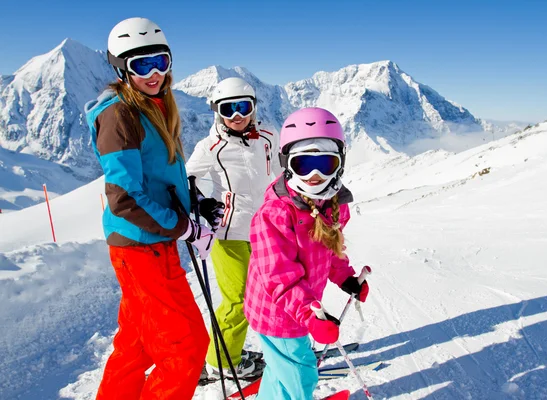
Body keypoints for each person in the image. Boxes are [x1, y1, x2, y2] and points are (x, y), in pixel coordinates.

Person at [85, 17, 221, 400]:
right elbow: (124, 198)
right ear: (121, 68)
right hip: (141, 248)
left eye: (160, 61)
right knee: (186, 348)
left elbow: (161, 177)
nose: (155, 73)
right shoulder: (120, 115)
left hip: (152, 244)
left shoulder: (154, 106)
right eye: (142, 65)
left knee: (137, 345)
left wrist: (195, 204)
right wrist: (183, 227)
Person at [244, 107, 370, 399]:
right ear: (287, 164)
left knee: (282, 372)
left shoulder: (335, 204)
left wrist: (346, 279)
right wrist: (309, 316)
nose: (314, 176)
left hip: (300, 309)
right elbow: (279, 277)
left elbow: (331, 250)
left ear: (340, 164)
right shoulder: (274, 214)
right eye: (303, 165)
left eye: (325, 163)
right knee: (300, 375)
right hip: (277, 312)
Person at [186, 77, 276, 378]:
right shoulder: (210, 146)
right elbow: (186, 180)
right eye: (229, 109)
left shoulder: (267, 137)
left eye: (243, 107)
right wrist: (201, 203)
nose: (237, 115)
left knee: (271, 293)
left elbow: (281, 175)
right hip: (229, 233)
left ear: (253, 107)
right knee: (238, 298)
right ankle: (221, 363)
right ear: (218, 112)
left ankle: (278, 347)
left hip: (267, 230)